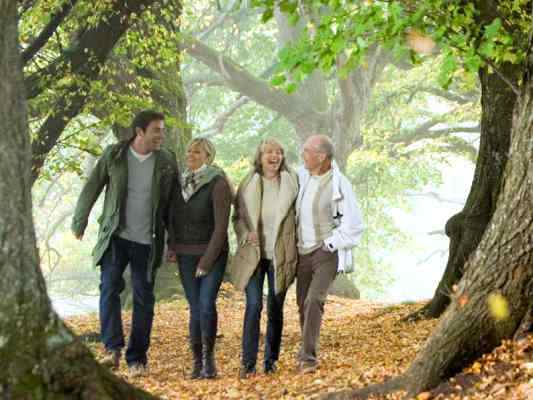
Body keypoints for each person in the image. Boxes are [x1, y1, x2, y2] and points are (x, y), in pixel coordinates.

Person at [71, 110, 178, 377]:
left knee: (144, 298)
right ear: (139, 131)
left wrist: (174, 241)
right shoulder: (115, 155)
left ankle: (137, 358)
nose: (161, 135)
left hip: (148, 242)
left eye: (162, 130)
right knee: (108, 288)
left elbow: (174, 204)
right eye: (156, 130)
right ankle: (112, 348)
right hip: (116, 238)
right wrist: (79, 221)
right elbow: (92, 187)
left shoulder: (166, 161)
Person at [295, 134, 364, 374]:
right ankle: (306, 346)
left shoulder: (339, 183)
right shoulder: (302, 176)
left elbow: (354, 224)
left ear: (321, 156)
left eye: (306, 151)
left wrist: (331, 243)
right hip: (301, 252)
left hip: (326, 253)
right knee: (303, 304)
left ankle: (308, 358)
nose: (302, 155)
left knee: (315, 300)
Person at [231, 138, 299, 378]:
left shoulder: (292, 182)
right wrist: (244, 233)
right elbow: (237, 216)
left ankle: (271, 361)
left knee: (275, 307)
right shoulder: (249, 182)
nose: (275, 156)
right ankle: (248, 363)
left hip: (280, 254)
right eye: (269, 152)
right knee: (254, 305)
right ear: (260, 157)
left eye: (279, 152)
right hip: (254, 255)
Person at [167, 138, 232, 379]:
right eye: (188, 150)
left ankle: (209, 360)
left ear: (208, 156)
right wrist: (171, 246)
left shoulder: (218, 183)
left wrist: (206, 261)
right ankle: (197, 362)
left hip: (212, 254)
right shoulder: (179, 183)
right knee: (195, 308)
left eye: (197, 151)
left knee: (206, 305)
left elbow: (221, 227)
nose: (191, 154)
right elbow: (171, 218)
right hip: (185, 254)